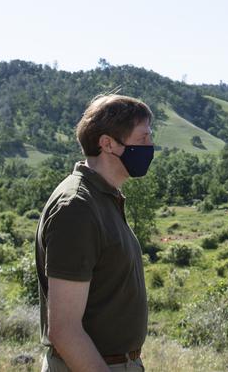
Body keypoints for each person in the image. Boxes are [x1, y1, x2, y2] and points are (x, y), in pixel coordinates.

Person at [35, 93, 155, 372]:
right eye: (143, 139)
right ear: (107, 144)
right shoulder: (77, 207)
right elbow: (64, 330)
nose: (151, 147)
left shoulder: (103, 198)